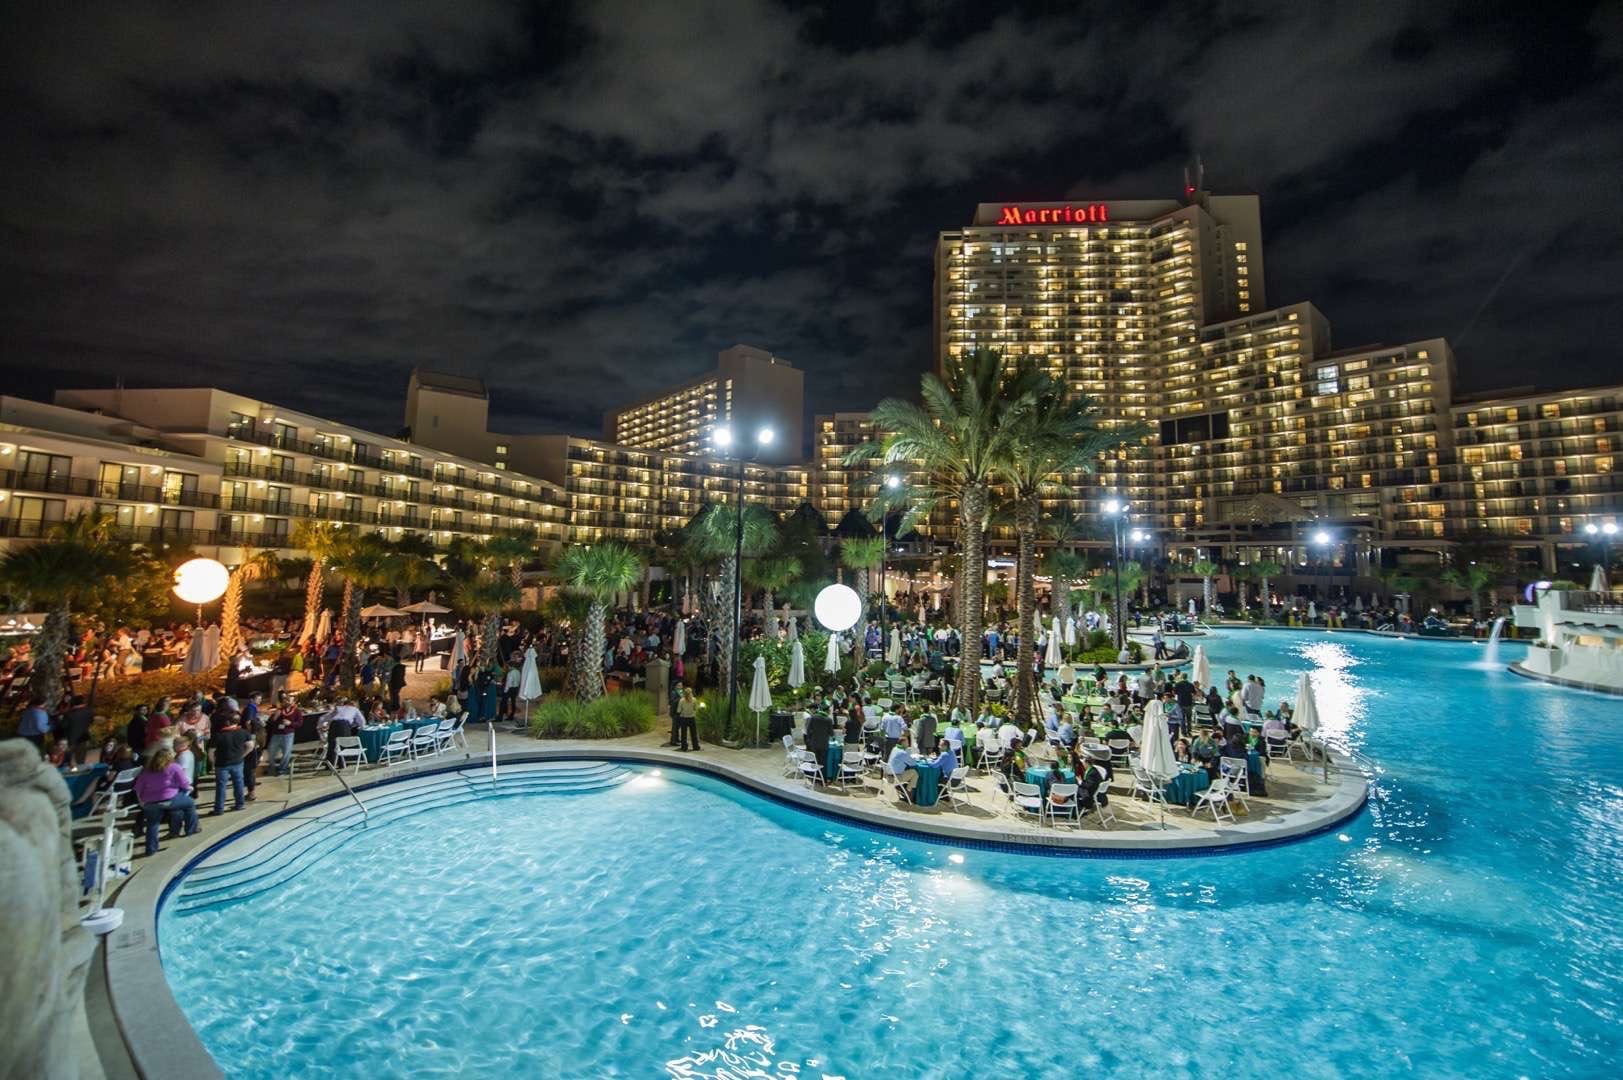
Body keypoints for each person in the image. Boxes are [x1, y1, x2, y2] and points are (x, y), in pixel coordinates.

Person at [133, 748, 200, 855]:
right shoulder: (174, 767)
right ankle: (190, 831)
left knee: (152, 824)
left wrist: (141, 802)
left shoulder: (146, 770)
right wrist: (190, 788)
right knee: (190, 804)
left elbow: (137, 788)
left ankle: (151, 850)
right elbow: (184, 783)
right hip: (170, 799)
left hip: (150, 802)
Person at [208, 711, 251, 815]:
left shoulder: (218, 735)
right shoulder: (244, 732)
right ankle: (240, 804)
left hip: (222, 764)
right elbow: (250, 746)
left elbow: (211, 752)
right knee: (239, 784)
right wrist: (242, 755)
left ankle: (219, 809)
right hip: (238, 762)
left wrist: (213, 762)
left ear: (227, 722)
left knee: (221, 787)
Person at [268, 697, 302, 776]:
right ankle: (271, 767)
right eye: (285, 700)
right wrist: (275, 717)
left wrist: (290, 723)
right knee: (272, 751)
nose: (286, 701)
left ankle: (283, 769)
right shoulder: (279, 710)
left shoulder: (297, 711)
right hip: (276, 734)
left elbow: (299, 723)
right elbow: (271, 722)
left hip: (288, 735)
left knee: (286, 753)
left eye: (288, 700)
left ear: (293, 702)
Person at [675, 687, 700, 751]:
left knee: (684, 734)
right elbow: (696, 709)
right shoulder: (694, 699)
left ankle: (684, 747)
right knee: (694, 733)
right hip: (692, 718)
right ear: (691, 692)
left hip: (684, 718)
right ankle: (695, 746)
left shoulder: (682, 700)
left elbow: (678, 710)